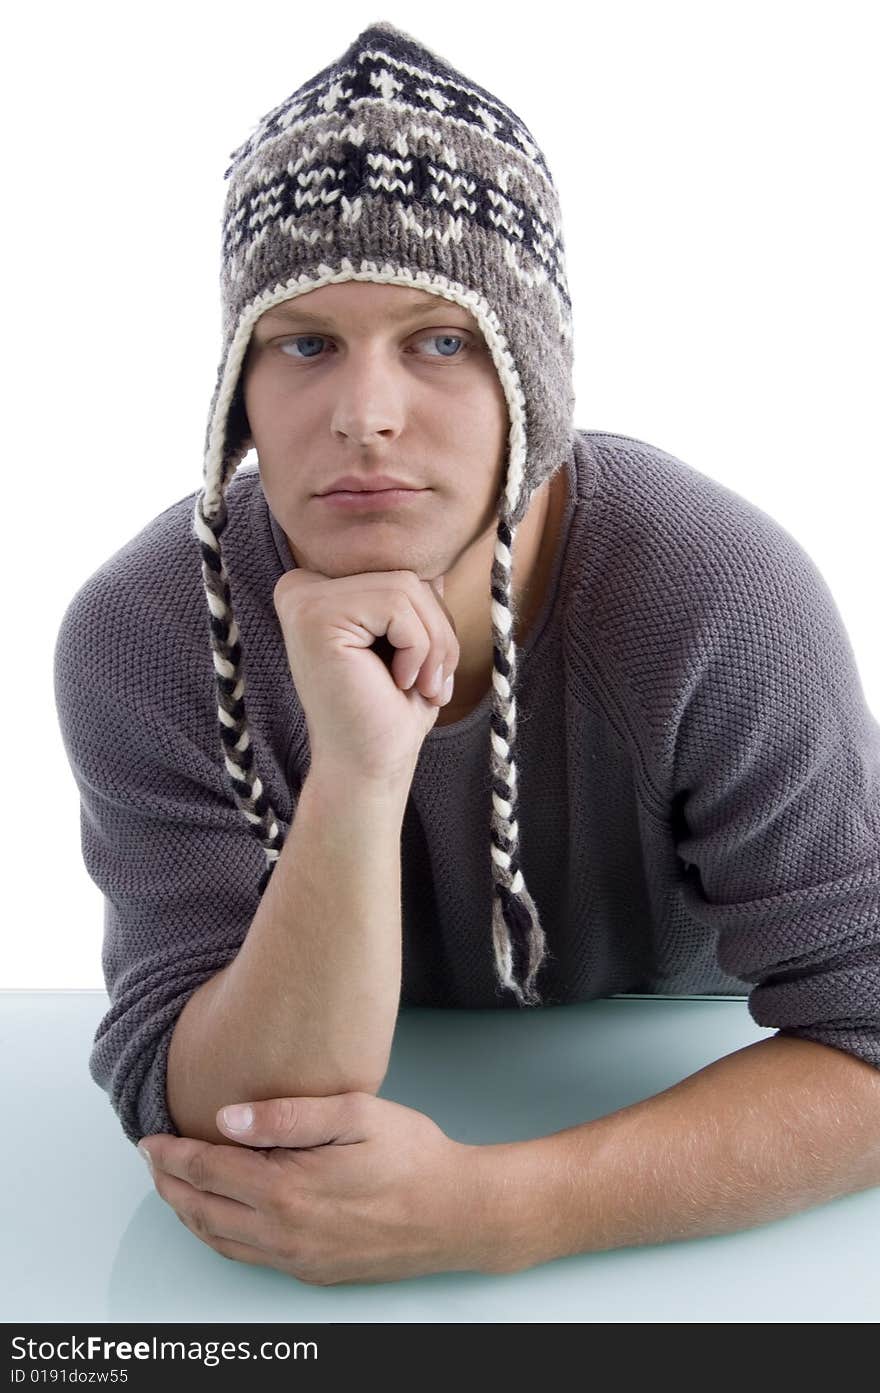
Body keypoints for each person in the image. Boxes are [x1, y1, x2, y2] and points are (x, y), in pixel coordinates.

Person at [53, 21, 880, 1279]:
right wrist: (358, 772)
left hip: (678, 1073)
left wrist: (506, 1212)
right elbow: (224, 1115)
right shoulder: (148, 631)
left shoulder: (718, 598)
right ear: (239, 392)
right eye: (304, 342)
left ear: (528, 380)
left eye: (440, 341)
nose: (366, 415)